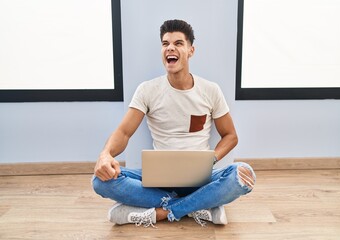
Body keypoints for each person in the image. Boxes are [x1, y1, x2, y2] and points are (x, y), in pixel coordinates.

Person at [92, 19, 256, 227]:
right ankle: (199, 206)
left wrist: (211, 160)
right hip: (159, 180)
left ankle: (161, 212)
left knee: (243, 173)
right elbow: (124, 133)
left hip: (200, 179)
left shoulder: (210, 90)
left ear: (190, 51)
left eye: (178, 43)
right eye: (165, 43)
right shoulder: (147, 90)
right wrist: (105, 155)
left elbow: (231, 136)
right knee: (100, 181)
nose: (170, 47)